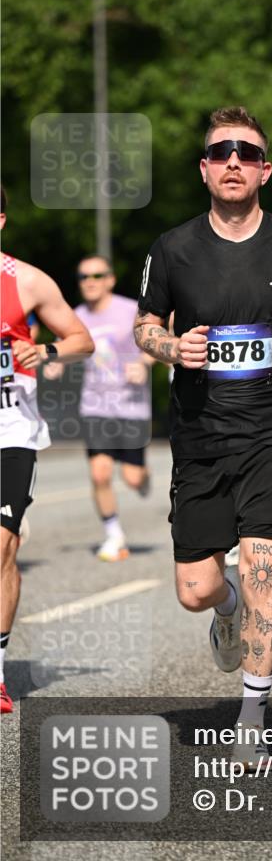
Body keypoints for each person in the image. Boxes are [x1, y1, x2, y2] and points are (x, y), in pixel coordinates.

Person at [134, 106, 272, 765]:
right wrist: (172, 347)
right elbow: (142, 325)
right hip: (199, 434)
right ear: (203, 169)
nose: (233, 161)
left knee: (265, 576)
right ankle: (224, 612)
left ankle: (251, 714)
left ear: (265, 170)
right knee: (197, 591)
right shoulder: (171, 248)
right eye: (221, 152)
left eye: (247, 153)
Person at [0, 186, 94, 714]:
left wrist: (46, 349)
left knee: (3, 550)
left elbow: (83, 338)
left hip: (12, 430)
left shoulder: (28, 280)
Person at [44, 256, 154, 561]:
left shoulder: (130, 309)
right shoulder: (75, 315)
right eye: (83, 277)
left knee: (132, 478)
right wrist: (55, 364)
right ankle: (114, 535)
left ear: (110, 279)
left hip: (131, 406)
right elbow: (64, 348)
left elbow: (156, 343)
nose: (90, 281)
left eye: (97, 275)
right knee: (100, 472)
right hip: (95, 405)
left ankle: (143, 478)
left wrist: (144, 363)